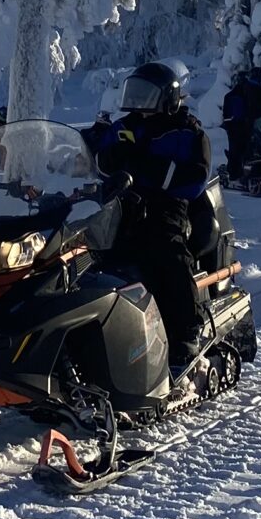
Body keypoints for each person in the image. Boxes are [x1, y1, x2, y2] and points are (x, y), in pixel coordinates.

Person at [84, 62, 213, 373]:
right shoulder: (124, 126)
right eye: (136, 94)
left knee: (164, 249)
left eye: (147, 96)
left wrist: (146, 166)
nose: (140, 104)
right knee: (87, 255)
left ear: (168, 98)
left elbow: (194, 178)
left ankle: (186, 332)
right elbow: (96, 156)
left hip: (167, 206)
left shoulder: (187, 131)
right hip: (118, 206)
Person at [218, 66, 261, 172]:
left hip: (254, 126)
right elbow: (255, 108)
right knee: (242, 149)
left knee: (257, 148)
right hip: (243, 127)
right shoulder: (250, 90)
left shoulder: (253, 90)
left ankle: (245, 169)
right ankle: (236, 172)